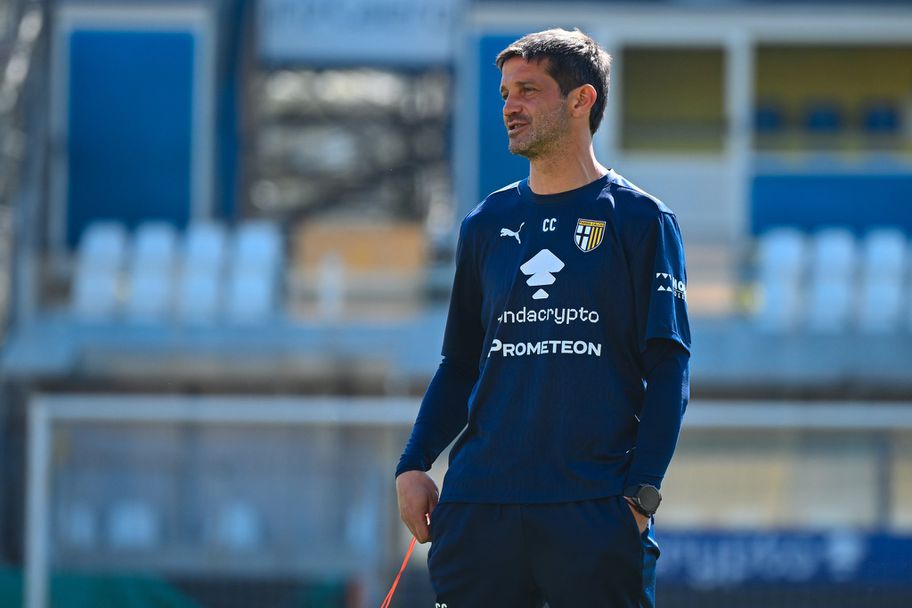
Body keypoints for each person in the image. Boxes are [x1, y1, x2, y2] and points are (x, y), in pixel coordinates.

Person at [395, 28, 691, 608]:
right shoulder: (485, 224)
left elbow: (669, 369)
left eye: (528, 90)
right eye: (506, 93)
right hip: (480, 509)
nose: (511, 106)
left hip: (594, 510)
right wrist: (413, 464)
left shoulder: (642, 220)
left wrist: (640, 497)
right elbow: (460, 364)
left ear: (581, 100)